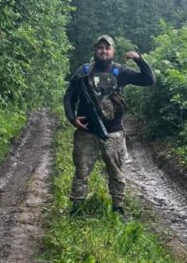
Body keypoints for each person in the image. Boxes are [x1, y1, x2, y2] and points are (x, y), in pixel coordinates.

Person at [63, 35, 156, 216]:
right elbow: (69, 97)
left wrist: (139, 59)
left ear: (113, 51)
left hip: (113, 133)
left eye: (107, 48)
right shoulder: (82, 72)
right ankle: (76, 208)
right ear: (95, 50)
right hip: (86, 132)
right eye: (100, 47)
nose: (103, 51)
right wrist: (72, 118)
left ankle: (118, 209)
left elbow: (149, 80)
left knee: (116, 173)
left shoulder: (120, 72)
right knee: (81, 172)